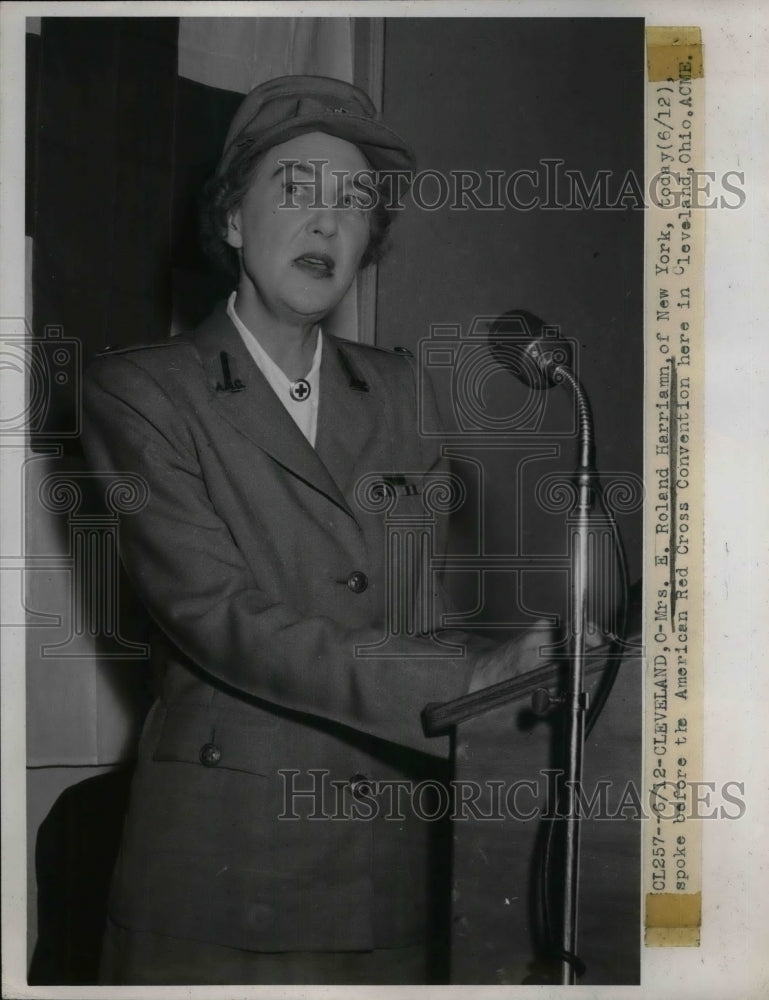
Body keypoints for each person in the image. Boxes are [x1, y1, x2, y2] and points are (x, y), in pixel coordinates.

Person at [81, 74, 550, 985]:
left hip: (393, 866)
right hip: (227, 872)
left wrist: (523, 682)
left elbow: (421, 613)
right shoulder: (139, 393)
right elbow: (220, 617)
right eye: (294, 190)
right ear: (229, 221)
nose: (327, 223)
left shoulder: (405, 387)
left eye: (355, 201)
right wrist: (465, 683)